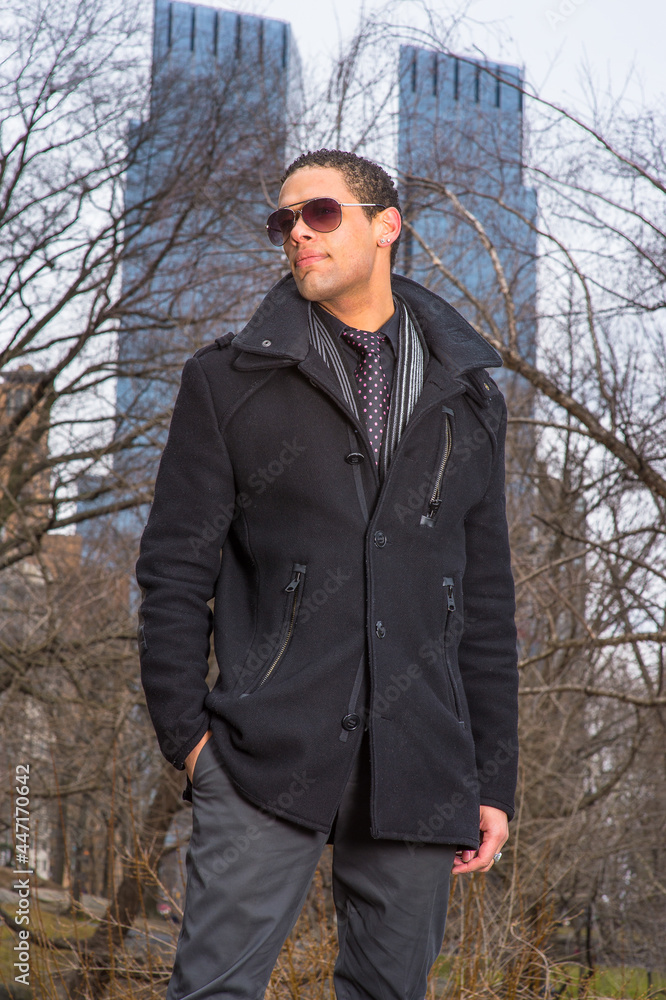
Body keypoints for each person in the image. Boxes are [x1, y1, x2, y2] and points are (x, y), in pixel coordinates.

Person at [136, 148, 519, 1000]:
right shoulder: (226, 381)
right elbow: (173, 571)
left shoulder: (470, 397)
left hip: (422, 762)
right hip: (260, 754)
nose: (297, 234)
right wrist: (191, 744)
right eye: (284, 221)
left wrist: (493, 779)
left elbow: (486, 599)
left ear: (387, 227)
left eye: (320, 213)